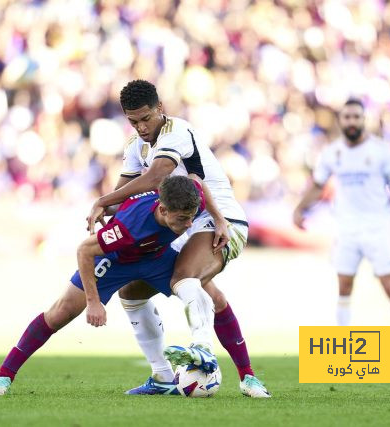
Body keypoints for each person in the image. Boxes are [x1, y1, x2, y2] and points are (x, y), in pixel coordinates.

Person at [87, 80, 270, 397]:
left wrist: (105, 200)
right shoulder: (136, 147)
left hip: (221, 220)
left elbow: (157, 176)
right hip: (177, 226)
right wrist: (105, 211)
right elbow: (121, 197)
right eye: (133, 121)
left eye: (146, 118)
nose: (141, 127)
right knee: (134, 291)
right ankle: (163, 376)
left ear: (160, 108)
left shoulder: (177, 131)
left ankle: (203, 350)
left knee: (186, 277)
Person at [0, 176, 206, 395]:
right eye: (183, 219)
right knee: (62, 312)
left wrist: (220, 220)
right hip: (118, 260)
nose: (188, 224)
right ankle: (3, 375)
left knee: (207, 291)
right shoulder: (128, 226)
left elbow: (198, 182)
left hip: (157, 256)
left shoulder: (189, 199)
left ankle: (239, 371)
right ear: (164, 210)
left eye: (191, 218)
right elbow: (84, 250)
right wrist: (93, 301)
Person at [293, 98, 390, 364]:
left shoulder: (382, 151)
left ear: (364, 120)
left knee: (389, 285)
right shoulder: (332, 153)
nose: (351, 121)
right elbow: (318, 184)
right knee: (344, 286)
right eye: (347, 117)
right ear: (341, 121)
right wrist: (299, 209)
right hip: (346, 228)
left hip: (377, 228)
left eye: (356, 117)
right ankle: (345, 349)